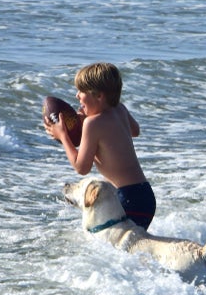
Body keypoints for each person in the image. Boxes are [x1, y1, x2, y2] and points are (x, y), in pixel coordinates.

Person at [45, 62, 156, 230]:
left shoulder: (92, 123)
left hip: (125, 198)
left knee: (122, 249)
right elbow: (135, 130)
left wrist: (63, 136)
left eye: (82, 91)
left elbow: (81, 167)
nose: (77, 96)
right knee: (135, 248)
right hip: (145, 195)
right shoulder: (120, 109)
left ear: (99, 96)